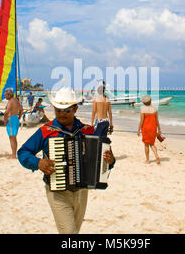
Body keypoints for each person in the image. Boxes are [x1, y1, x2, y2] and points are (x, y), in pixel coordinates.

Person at [17, 87, 116, 234]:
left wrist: (111, 161)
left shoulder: (87, 131)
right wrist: (38, 163)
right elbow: (23, 152)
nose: (61, 114)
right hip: (57, 192)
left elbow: (104, 160)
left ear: (75, 109)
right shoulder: (46, 131)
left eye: (66, 110)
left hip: (82, 192)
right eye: (58, 110)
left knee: (74, 231)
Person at [137, 95, 161, 164]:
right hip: (153, 128)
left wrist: (138, 130)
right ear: (150, 101)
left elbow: (141, 121)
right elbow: (157, 120)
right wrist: (159, 129)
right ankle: (156, 156)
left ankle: (147, 160)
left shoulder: (143, 110)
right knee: (152, 144)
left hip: (145, 128)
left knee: (146, 145)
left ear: (144, 103)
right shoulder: (155, 109)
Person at [4, 88, 23, 159]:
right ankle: (14, 154)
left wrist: (4, 119)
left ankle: (13, 155)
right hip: (15, 119)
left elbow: (6, 112)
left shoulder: (11, 101)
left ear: (9, 95)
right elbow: (21, 110)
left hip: (11, 120)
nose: (5, 96)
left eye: (5, 95)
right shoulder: (16, 100)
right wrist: (18, 117)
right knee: (14, 137)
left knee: (12, 138)